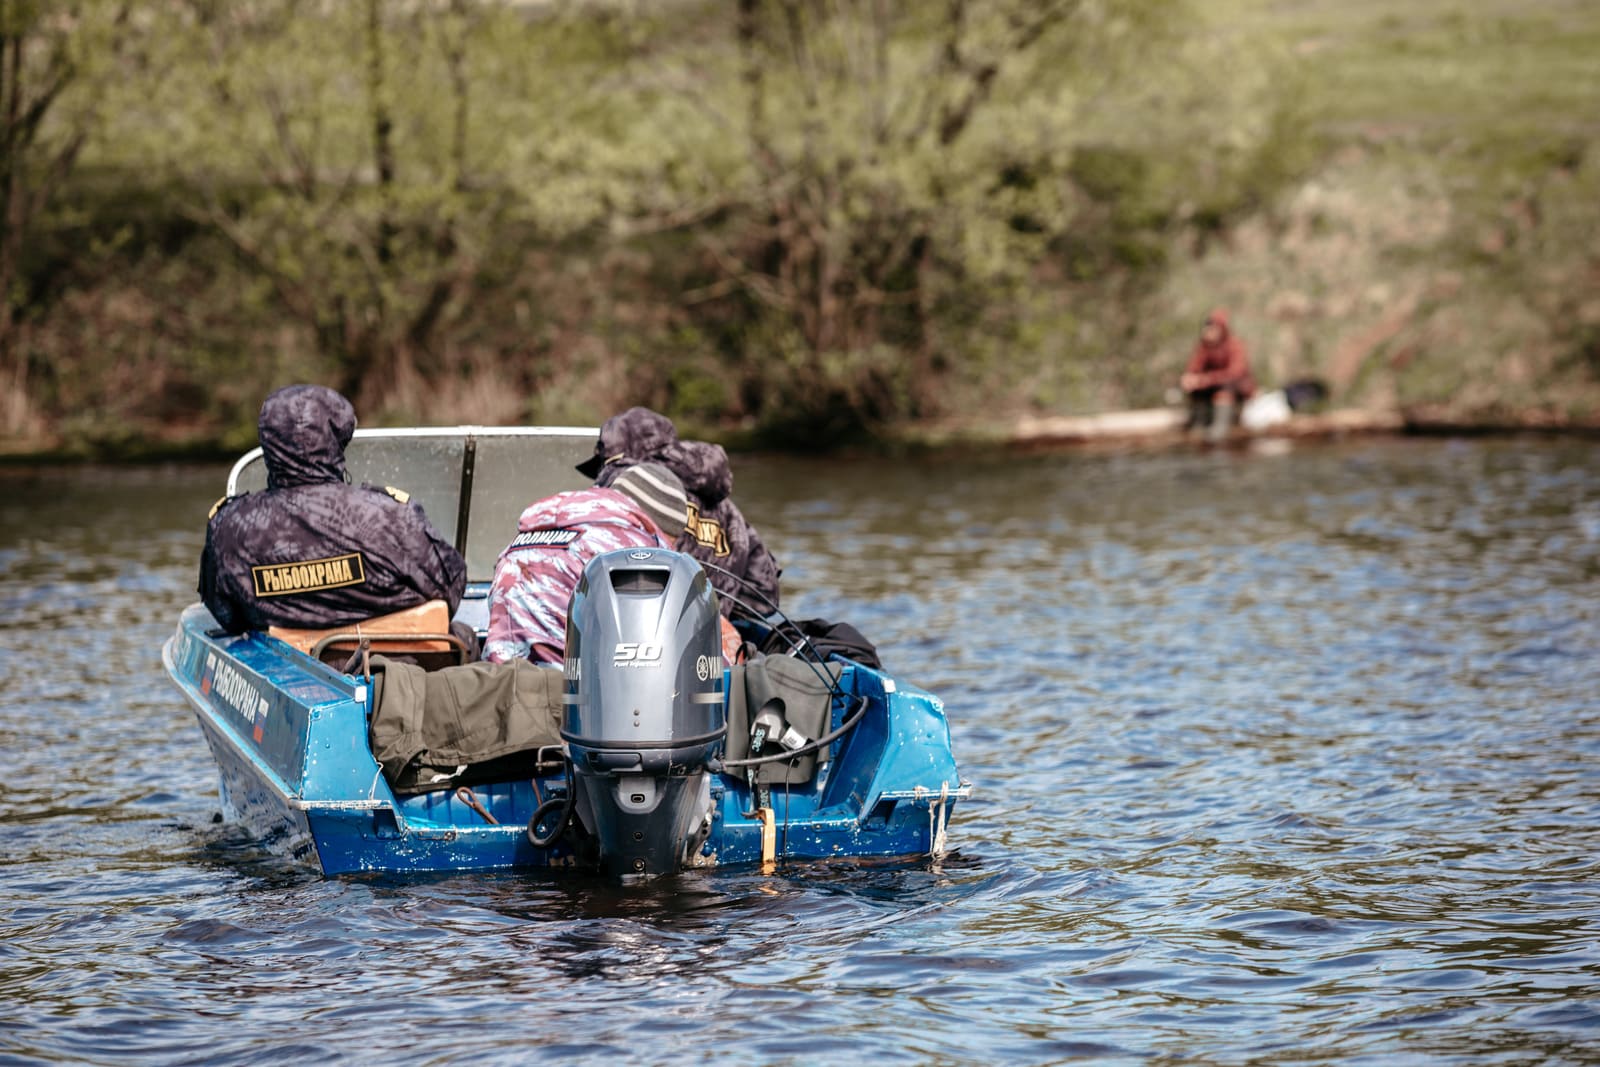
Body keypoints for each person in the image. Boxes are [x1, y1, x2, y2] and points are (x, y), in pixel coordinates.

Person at [198, 384, 466, 635]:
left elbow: (226, 614)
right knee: (463, 637)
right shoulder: (388, 516)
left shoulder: (229, 529)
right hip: (397, 672)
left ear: (268, 440)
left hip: (282, 673)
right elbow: (450, 587)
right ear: (338, 438)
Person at [576, 407, 781, 618]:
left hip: (641, 636)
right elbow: (764, 594)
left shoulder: (624, 487)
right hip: (713, 642)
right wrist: (716, 616)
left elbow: (584, 567)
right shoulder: (730, 512)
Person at [484, 462, 691, 665]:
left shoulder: (534, 529)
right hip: (569, 691)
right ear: (661, 529)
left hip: (501, 684)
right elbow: (652, 643)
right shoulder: (635, 551)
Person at [1181, 309, 1257, 440]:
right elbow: (1194, 367)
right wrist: (1189, 378)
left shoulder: (1235, 345)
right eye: (1208, 327)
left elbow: (1235, 373)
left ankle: (1220, 430)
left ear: (1221, 330)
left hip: (1236, 389)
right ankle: (1198, 427)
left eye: (1213, 328)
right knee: (1197, 392)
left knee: (1223, 392)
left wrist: (1206, 379)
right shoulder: (1204, 346)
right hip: (1212, 387)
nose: (1209, 331)